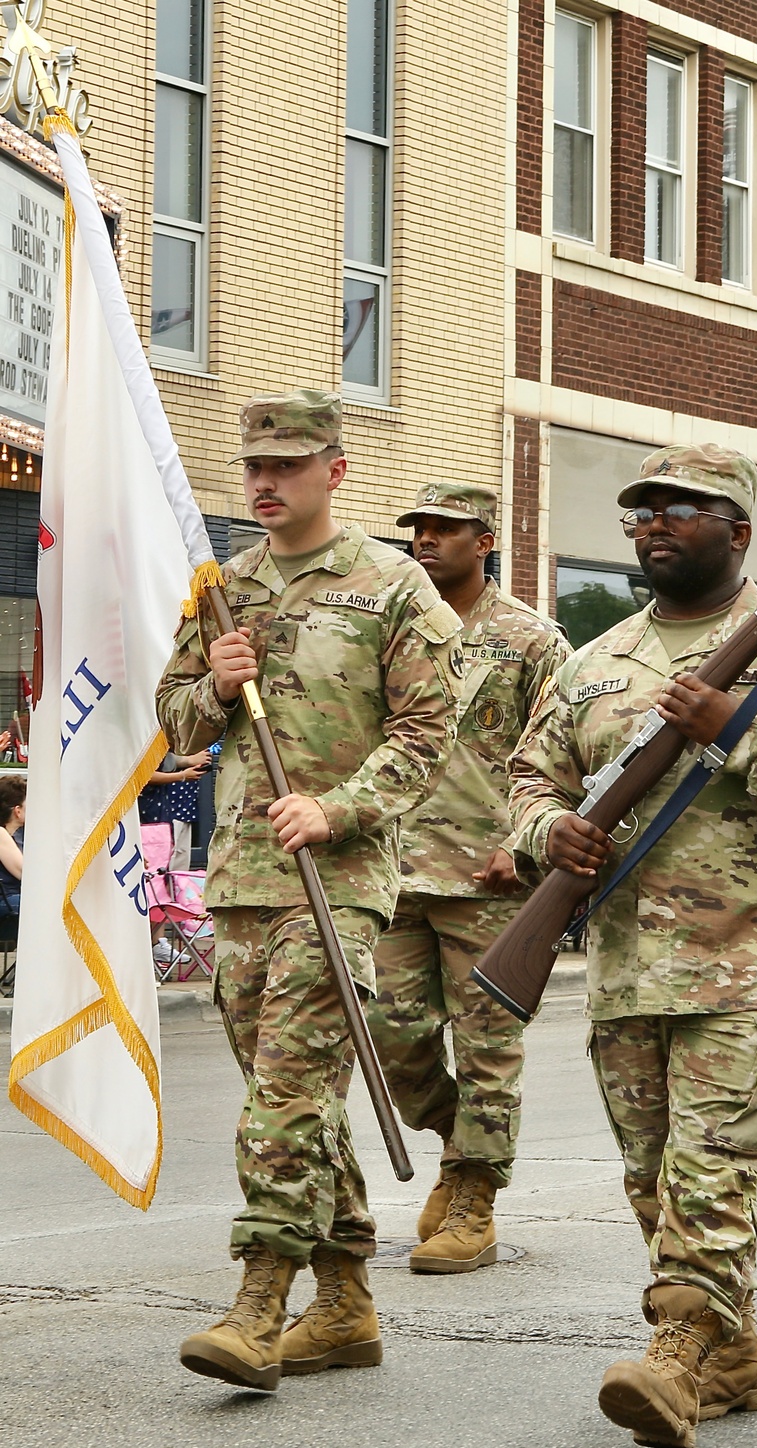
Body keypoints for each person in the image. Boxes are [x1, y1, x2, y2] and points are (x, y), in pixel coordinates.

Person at [506, 444, 757, 1448]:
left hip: (752, 968)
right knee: (654, 1180)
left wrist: (739, 730)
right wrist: (548, 833)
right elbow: (529, 779)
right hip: (631, 973)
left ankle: (674, 1359)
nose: (655, 524)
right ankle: (734, 1358)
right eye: (643, 510)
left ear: (740, 532)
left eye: (684, 507)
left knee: (708, 1176)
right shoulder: (594, 662)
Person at [156, 389, 463, 1392]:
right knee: (292, 1096)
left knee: (285, 1094)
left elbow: (426, 735)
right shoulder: (222, 588)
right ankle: (344, 1305)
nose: (264, 481)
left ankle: (258, 1303)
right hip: (242, 879)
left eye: (286, 465)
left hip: (340, 881)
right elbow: (174, 726)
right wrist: (211, 680)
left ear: (334, 470)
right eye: (254, 465)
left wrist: (339, 808)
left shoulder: (392, 586)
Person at [368, 482, 569, 1273]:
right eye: (416, 526)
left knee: (488, 1046)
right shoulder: (391, 624)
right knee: (392, 1036)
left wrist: (522, 844)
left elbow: (561, 756)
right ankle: (461, 1143)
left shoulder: (531, 638)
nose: (424, 539)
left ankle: (475, 1197)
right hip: (391, 869)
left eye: (444, 528)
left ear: (483, 539)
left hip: (490, 877)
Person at [0, 773, 26, 918]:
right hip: (8, 899)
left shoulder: (24, 834)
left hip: (18, 897)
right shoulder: (1, 834)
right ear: (17, 811)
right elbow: (25, 873)